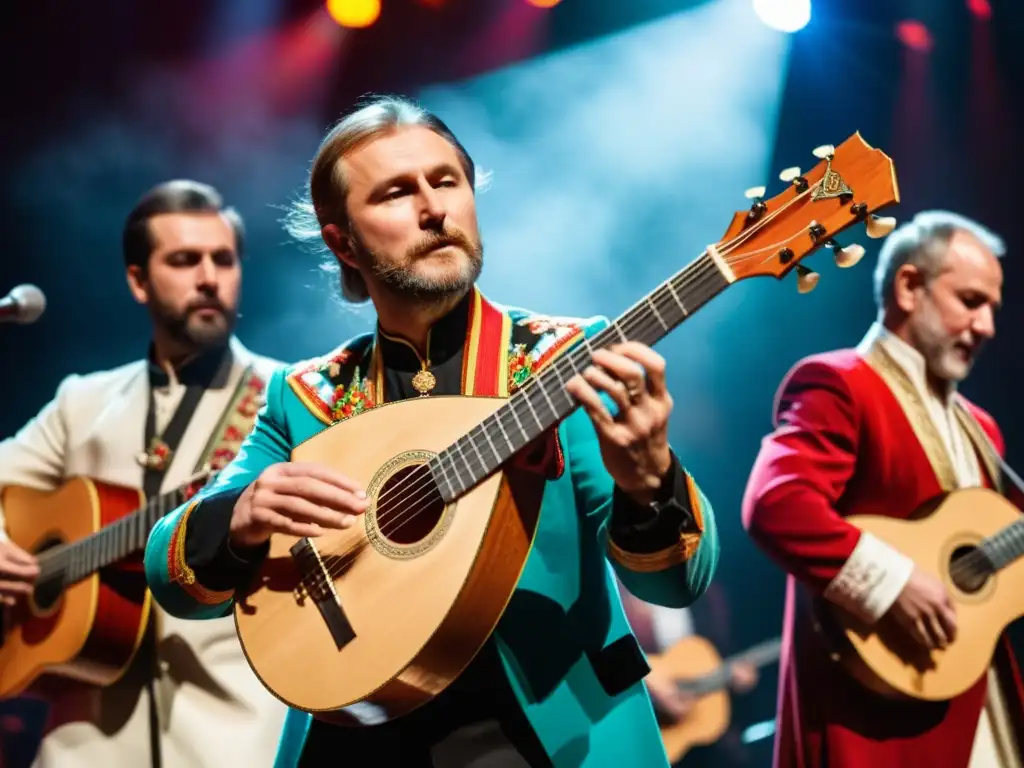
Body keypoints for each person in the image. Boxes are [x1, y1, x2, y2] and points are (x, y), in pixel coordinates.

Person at [143, 95, 721, 767]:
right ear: (342, 241)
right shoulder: (306, 397)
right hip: (355, 740)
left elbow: (678, 586)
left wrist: (650, 483)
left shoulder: (568, 360)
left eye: (446, 181)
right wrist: (241, 516)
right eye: (395, 193)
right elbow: (170, 573)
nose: (433, 208)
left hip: (547, 740)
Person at [0, 180, 288, 767]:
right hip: (81, 743)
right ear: (138, 280)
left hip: (235, 731)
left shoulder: (291, 396)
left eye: (223, 259)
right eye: (184, 260)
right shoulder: (83, 402)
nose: (209, 277)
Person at [741, 210, 1024, 767]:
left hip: (980, 709)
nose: (988, 325)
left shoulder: (982, 428)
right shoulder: (838, 382)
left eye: (992, 307)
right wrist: (893, 582)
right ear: (909, 286)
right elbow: (777, 502)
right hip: (877, 730)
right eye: (971, 301)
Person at [619, 582, 760, 766]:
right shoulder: (618, 587)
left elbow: (717, 649)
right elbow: (602, 642)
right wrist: (647, 675)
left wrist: (734, 678)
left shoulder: (706, 592)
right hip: (626, 707)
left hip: (689, 731)